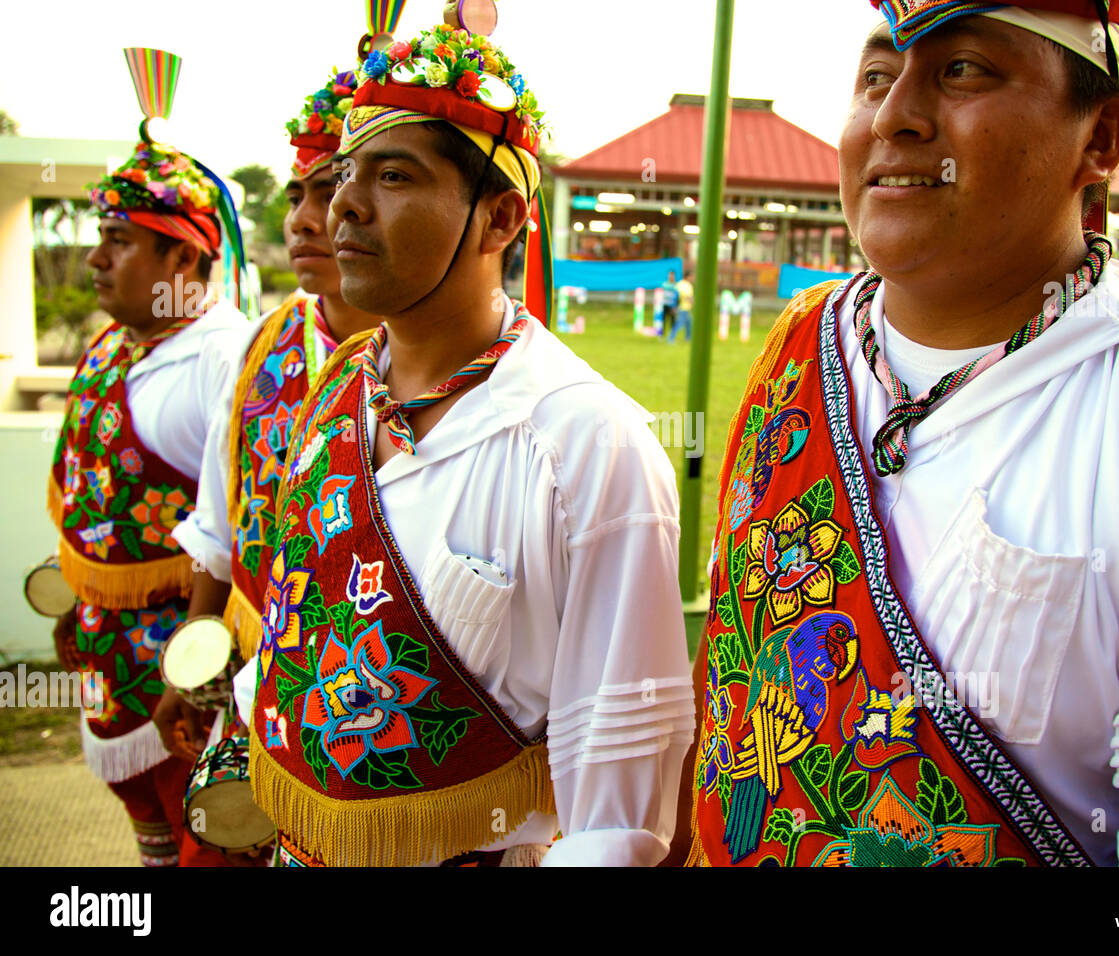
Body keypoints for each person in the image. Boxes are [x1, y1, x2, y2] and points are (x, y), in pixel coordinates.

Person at [683, 0, 1119, 867]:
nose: (894, 114)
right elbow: (731, 711)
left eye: (964, 69)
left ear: (1103, 138)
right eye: (874, 76)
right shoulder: (797, 346)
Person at [241, 18, 693, 867]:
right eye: (343, 177)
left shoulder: (590, 445)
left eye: (394, 174)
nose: (343, 206)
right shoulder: (336, 395)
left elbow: (618, 808)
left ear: (499, 218)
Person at [47, 50, 249, 866]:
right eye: (100, 239)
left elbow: (239, 529)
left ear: (185, 259)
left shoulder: (226, 357)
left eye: (120, 240)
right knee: (151, 840)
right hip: (106, 653)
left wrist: (201, 668)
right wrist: (77, 592)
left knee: (208, 844)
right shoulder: (111, 346)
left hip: (185, 670)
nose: (97, 259)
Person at [172, 64, 380, 687]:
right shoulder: (258, 348)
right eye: (297, 197)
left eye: (331, 190)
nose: (305, 221)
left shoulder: (454, 364)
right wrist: (195, 662)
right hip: (257, 672)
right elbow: (218, 521)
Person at [669, 269, 694, 343]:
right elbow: (688, 297)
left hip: (681, 307)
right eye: (692, 276)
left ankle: (688, 338)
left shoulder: (679, 284)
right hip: (684, 308)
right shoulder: (687, 285)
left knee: (689, 323)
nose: (693, 278)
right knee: (679, 324)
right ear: (687, 277)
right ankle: (670, 339)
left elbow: (675, 295)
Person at [660, 269, 679, 336]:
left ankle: (672, 336)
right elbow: (666, 287)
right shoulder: (665, 284)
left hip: (672, 305)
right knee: (664, 320)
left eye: (672, 275)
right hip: (665, 304)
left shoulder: (676, 284)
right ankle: (662, 334)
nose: (671, 276)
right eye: (670, 275)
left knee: (672, 320)